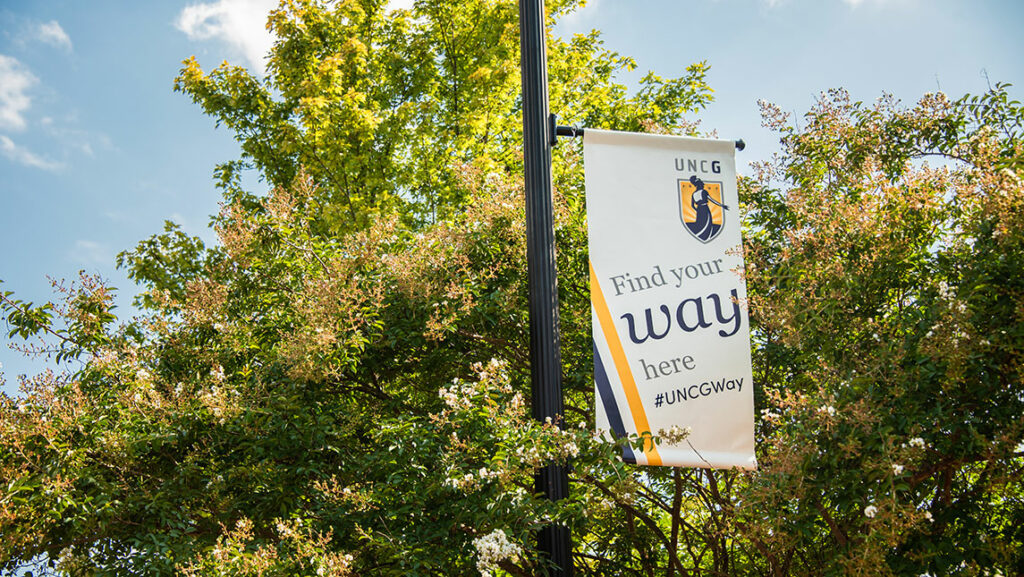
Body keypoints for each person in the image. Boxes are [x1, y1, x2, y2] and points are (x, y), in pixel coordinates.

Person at [686, 175, 728, 241]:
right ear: (699, 184)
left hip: (699, 210)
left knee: (700, 223)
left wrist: (697, 210)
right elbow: (712, 200)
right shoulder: (703, 191)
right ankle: (705, 236)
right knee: (707, 223)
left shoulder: (694, 194)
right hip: (705, 208)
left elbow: (692, 205)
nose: (703, 185)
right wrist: (722, 205)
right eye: (702, 184)